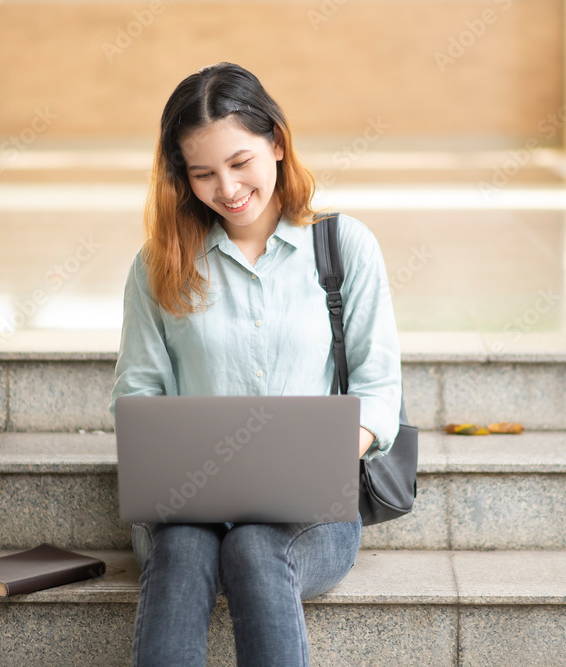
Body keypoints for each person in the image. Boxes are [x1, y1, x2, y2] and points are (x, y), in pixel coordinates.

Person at [108, 62, 402, 667]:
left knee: (252, 546)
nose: (228, 188)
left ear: (276, 142)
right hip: (186, 505)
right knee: (185, 547)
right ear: (180, 178)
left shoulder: (344, 247)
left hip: (312, 513)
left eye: (240, 163)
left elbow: (377, 390)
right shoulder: (159, 264)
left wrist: (313, 462)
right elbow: (137, 394)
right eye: (203, 174)